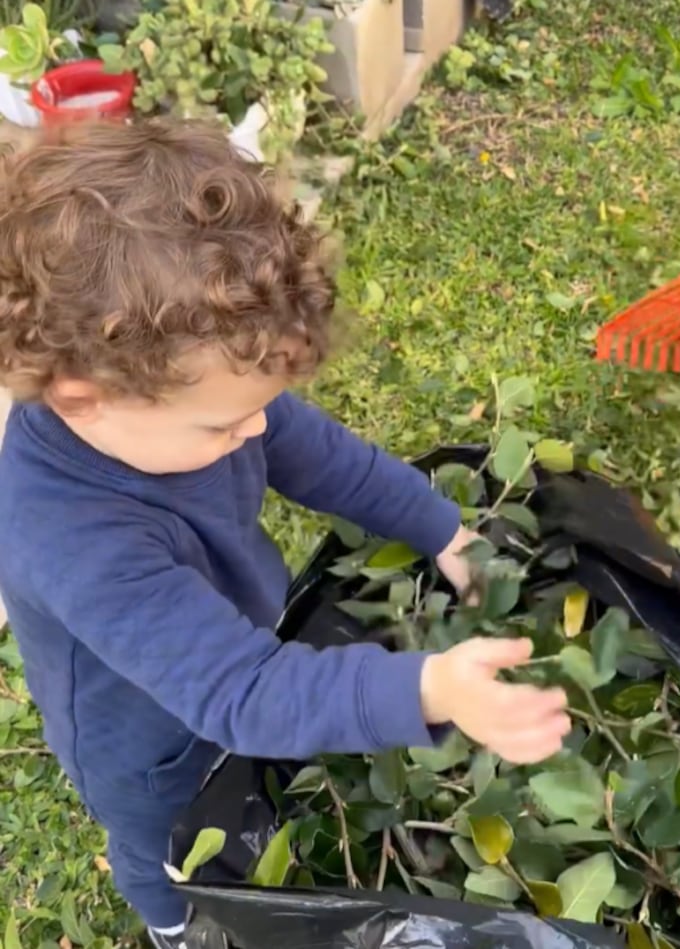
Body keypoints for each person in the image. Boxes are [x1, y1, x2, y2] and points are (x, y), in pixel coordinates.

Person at [0, 119, 571, 949]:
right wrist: (428, 691)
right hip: (147, 738)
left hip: (220, 651)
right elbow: (242, 693)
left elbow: (318, 455)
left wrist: (441, 528)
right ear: (83, 395)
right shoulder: (69, 535)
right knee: (159, 842)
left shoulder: (187, 403)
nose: (258, 429)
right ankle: (170, 924)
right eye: (227, 423)